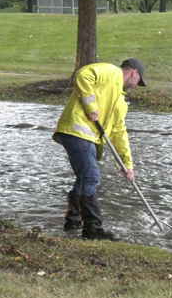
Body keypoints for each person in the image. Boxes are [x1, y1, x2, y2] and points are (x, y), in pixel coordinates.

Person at [52, 58, 146, 241]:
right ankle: (92, 229)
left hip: (87, 137)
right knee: (91, 177)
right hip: (76, 129)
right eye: (138, 81)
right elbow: (83, 75)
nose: (136, 86)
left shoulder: (120, 100)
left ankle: (73, 222)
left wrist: (126, 164)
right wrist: (90, 106)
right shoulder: (111, 71)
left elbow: (119, 132)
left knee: (84, 178)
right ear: (134, 72)